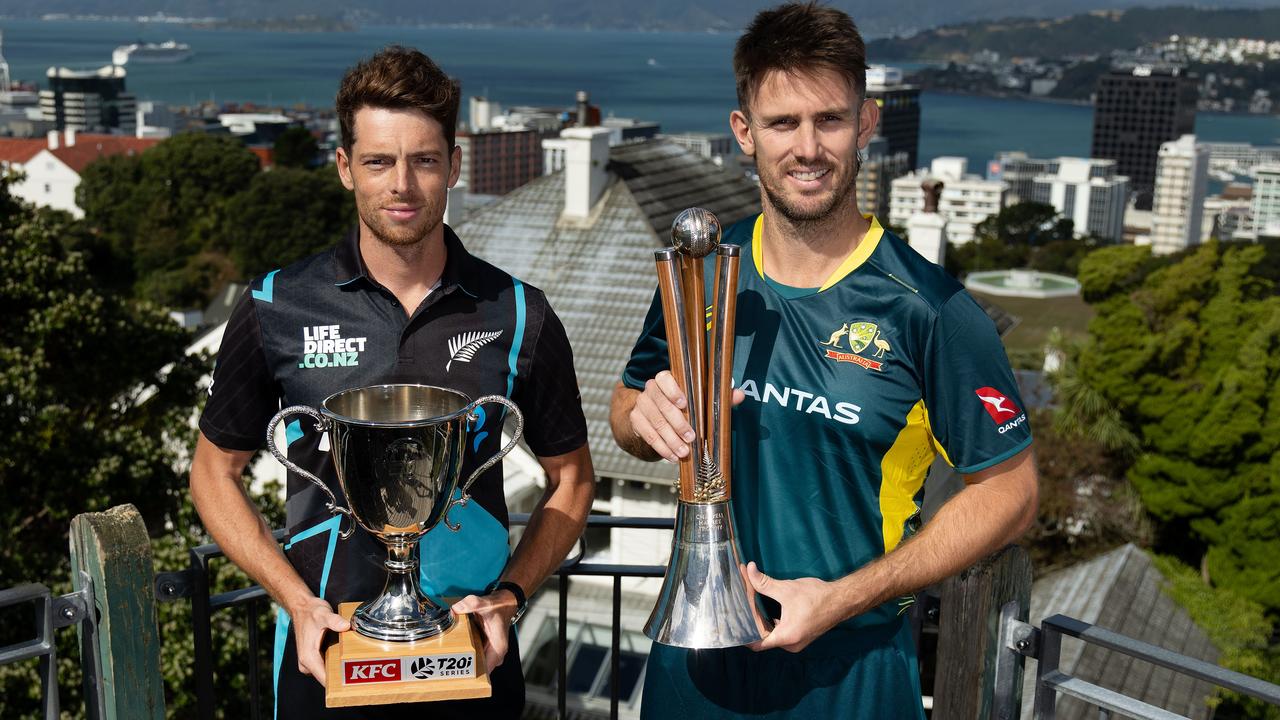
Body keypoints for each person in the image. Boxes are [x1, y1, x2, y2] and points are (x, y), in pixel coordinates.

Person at [609, 4, 1039, 717]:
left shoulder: (928, 310)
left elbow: (1013, 488)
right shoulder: (702, 274)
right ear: (743, 133)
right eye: (782, 123)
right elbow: (628, 410)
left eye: (829, 120)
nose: (807, 148)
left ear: (867, 123)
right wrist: (642, 418)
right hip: (694, 660)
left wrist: (843, 598)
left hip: (852, 668)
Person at [191, 46, 594, 719]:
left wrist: (511, 596)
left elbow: (574, 479)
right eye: (379, 161)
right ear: (346, 167)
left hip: (471, 657)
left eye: (424, 160)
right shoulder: (276, 305)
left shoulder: (518, 311)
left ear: (453, 166)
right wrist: (295, 599)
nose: (402, 185)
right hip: (327, 657)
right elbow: (212, 472)